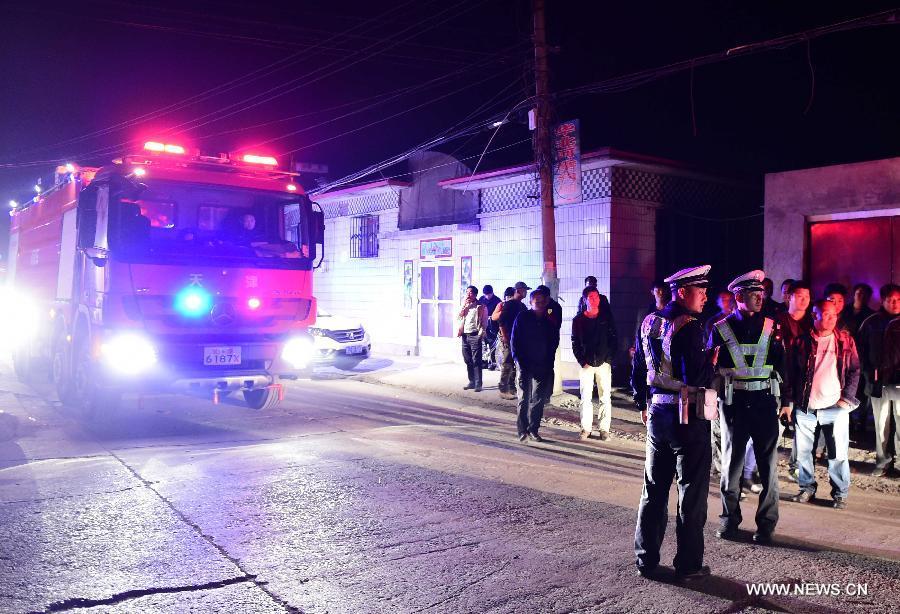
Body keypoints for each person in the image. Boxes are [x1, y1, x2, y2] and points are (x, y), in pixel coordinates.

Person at [632, 265, 717, 580]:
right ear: (682, 292)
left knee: (653, 490)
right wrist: (711, 362)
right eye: (700, 291)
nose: (705, 297)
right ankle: (688, 565)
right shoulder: (690, 326)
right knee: (691, 494)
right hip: (687, 418)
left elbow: (638, 368)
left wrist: (642, 402)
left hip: (657, 413)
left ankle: (645, 560)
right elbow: (693, 374)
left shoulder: (649, 321)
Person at [709, 270, 786, 545]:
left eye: (761, 293)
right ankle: (729, 521)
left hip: (764, 401)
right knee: (732, 466)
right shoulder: (720, 328)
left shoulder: (772, 326)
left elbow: (783, 365)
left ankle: (766, 525)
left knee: (768, 467)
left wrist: (787, 402)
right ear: (739, 296)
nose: (760, 298)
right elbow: (711, 369)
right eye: (754, 294)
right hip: (734, 403)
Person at [782, 299, 860, 509]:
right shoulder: (801, 341)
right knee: (804, 453)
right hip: (806, 407)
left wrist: (846, 398)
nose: (830, 319)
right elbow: (790, 373)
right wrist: (789, 401)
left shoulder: (845, 340)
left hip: (836, 407)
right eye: (825, 314)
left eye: (833, 315)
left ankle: (840, 494)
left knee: (838, 454)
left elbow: (854, 370)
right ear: (814, 315)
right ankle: (806, 488)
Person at [857, 284, 900, 476]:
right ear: (882, 301)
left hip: (899, 381)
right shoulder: (871, 322)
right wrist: (868, 373)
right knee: (881, 423)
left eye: (898, 300)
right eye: (890, 300)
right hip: (877, 381)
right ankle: (882, 462)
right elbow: (860, 351)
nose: (895, 303)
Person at [775, 280, 813, 481]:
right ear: (789, 297)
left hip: (805, 384)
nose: (804, 300)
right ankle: (754, 471)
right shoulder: (777, 321)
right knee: (775, 429)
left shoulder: (812, 323)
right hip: (780, 382)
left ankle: (796, 466)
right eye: (799, 296)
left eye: (807, 296)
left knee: (803, 431)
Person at [511, 288, 560, 442]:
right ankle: (522, 430)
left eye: (542, 301)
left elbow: (554, 341)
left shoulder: (549, 320)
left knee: (538, 400)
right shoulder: (523, 317)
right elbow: (514, 340)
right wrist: (517, 360)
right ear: (531, 302)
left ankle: (533, 429)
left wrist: (549, 361)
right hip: (524, 364)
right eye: (536, 301)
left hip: (542, 365)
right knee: (524, 398)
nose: (539, 303)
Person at [572, 286, 618, 441]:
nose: (594, 300)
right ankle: (586, 428)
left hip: (604, 363)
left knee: (605, 397)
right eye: (591, 297)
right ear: (585, 299)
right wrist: (581, 360)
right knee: (586, 397)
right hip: (586, 364)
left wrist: (609, 359)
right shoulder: (578, 320)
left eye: (596, 297)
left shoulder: (605, 318)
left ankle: (604, 429)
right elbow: (575, 342)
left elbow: (613, 339)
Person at [493, 283, 529, 399]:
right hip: (509, 338)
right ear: (518, 290)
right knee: (507, 363)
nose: (526, 292)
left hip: (519, 339)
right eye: (524, 290)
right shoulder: (509, 305)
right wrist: (505, 336)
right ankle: (503, 389)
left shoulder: (522, 306)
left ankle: (512, 388)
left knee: (514, 364)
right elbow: (501, 321)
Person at [458, 285, 488, 392]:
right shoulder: (465, 305)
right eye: (467, 292)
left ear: (475, 294)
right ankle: (471, 381)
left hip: (475, 335)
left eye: (470, 292)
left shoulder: (481, 306)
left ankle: (478, 383)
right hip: (465, 335)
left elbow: (484, 322)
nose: (468, 294)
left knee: (476, 360)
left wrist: (480, 334)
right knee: (467, 359)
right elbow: (459, 317)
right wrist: (464, 307)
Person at [631, 281, 670, 358]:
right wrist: (634, 346)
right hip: (648, 351)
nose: (661, 293)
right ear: (653, 292)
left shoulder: (670, 310)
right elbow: (638, 331)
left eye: (663, 290)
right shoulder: (645, 312)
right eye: (658, 290)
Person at [479, 285, 502, 370]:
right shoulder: (481, 299)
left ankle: (493, 363)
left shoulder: (497, 300)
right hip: (483, 325)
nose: (487, 296)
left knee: (492, 345)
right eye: (486, 294)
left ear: (492, 293)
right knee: (483, 345)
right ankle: (484, 362)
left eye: (489, 294)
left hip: (493, 326)